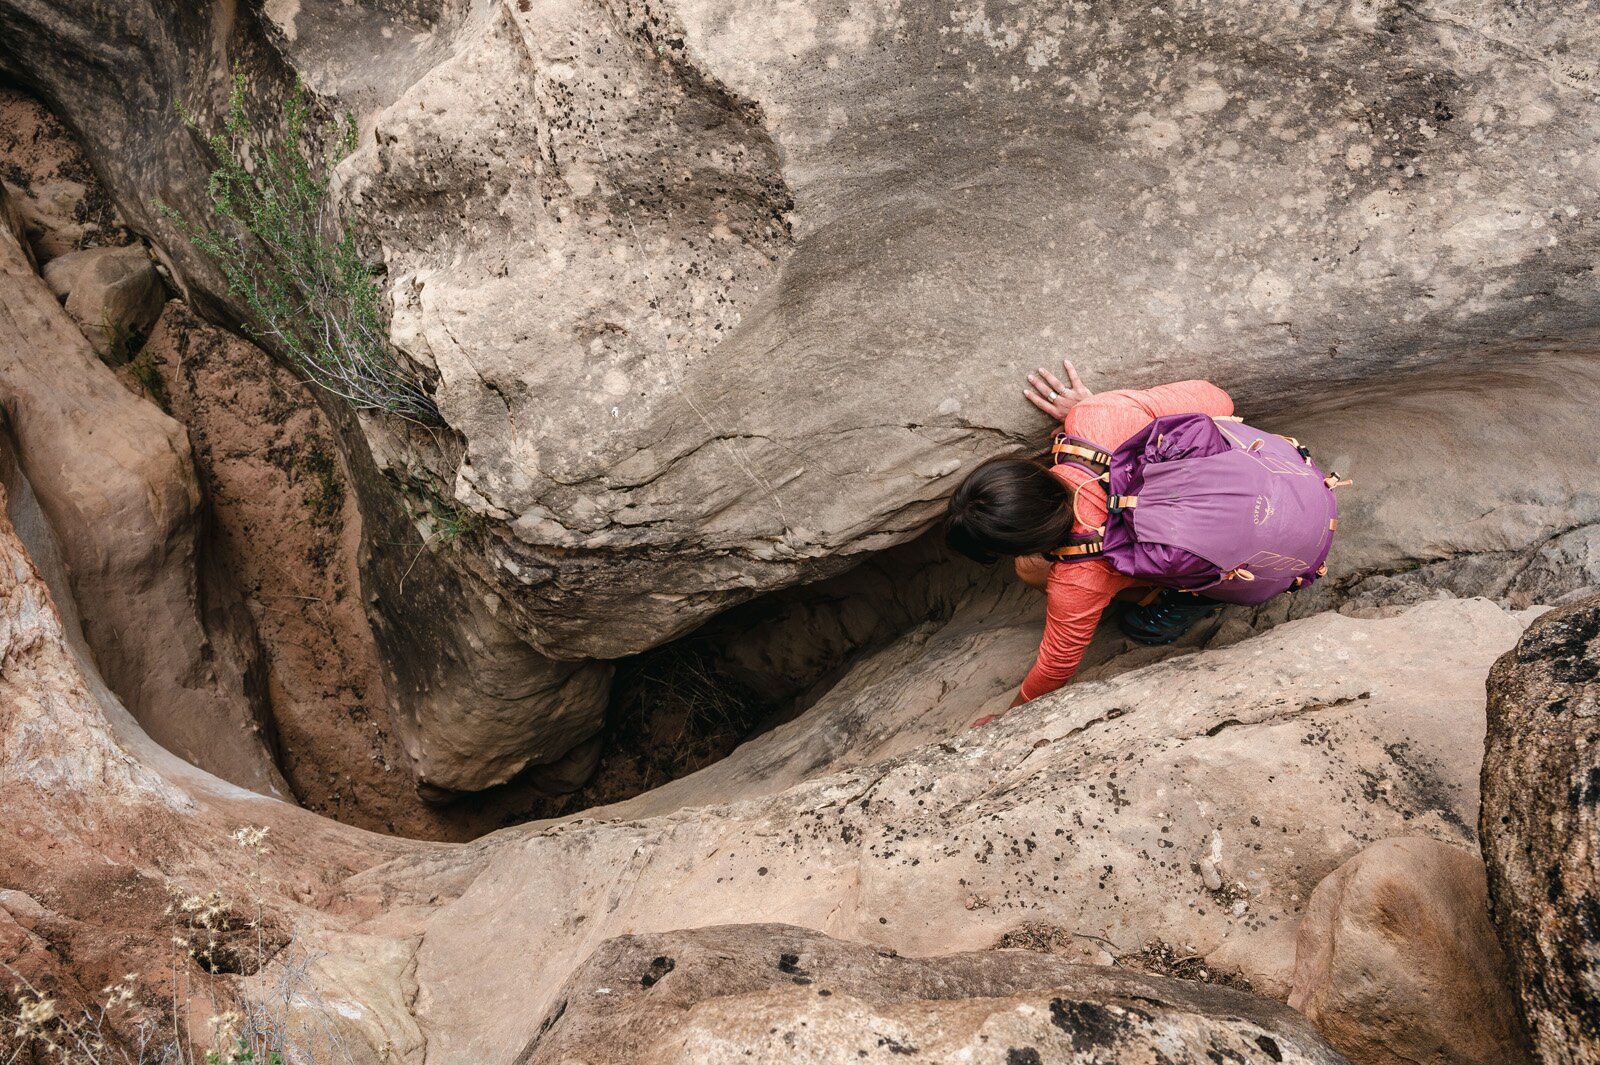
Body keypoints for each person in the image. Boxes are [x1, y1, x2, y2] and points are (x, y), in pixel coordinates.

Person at [944, 361, 1237, 722]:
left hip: (1246, 566)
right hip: (1269, 488)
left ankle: (1186, 599)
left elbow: (1056, 665)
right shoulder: (1096, 417)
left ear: (1025, 541)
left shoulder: (1078, 579)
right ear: (1025, 468)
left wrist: (1009, 717)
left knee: (1129, 623)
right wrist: (1097, 406)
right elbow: (1219, 399)